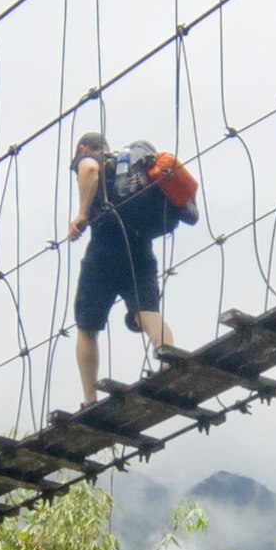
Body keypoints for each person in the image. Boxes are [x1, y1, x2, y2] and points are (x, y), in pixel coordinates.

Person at [66, 131, 186, 408]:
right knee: (147, 313)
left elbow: (90, 169)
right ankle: (170, 364)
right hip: (139, 245)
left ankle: (89, 399)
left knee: (87, 326)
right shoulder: (129, 168)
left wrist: (83, 213)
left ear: (83, 148)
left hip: (105, 246)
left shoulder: (91, 158)